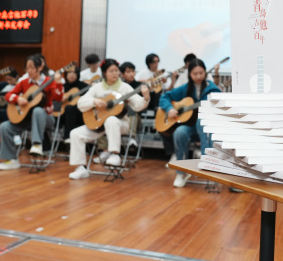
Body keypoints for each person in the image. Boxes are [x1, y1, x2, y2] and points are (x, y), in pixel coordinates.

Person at [68, 59, 150, 180]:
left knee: (111, 119)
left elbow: (138, 105)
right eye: (111, 71)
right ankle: (81, 168)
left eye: (116, 70)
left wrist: (146, 98)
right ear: (104, 73)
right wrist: (94, 101)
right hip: (100, 124)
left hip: (120, 124)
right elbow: (81, 103)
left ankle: (114, 154)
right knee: (75, 133)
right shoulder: (97, 87)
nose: (115, 73)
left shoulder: (125, 87)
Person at [159, 58, 221, 188]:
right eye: (195, 74)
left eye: (201, 73)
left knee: (201, 120)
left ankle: (207, 160)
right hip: (191, 128)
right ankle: (181, 172)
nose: (198, 76)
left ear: (205, 73)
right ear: (189, 74)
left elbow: (220, 107)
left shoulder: (212, 89)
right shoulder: (185, 88)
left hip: (207, 131)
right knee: (179, 132)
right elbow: (165, 97)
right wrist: (169, 109)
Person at [0, 54, 64, 170]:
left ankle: (37, 145)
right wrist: (17, 99)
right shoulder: (24, 82)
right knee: (5, 127)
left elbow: (59, 98)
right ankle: (11, 160)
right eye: (27, 68)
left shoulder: (49, 81)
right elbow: (8, 95)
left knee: (38, 110)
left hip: (46, 118)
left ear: (40, 67)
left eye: (32, 67)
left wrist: (58, 83)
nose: (29, 71)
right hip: (27, 119)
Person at [60, 64, 86, 142]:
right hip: (62, 115)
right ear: (66, 74)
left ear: (78, 74)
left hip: (79, 115)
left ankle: (68, 137)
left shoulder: (83, 86)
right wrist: (60, 98)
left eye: (74, 73)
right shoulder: (62, 87)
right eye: (70, 72)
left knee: (69, 108)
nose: (72, 74)